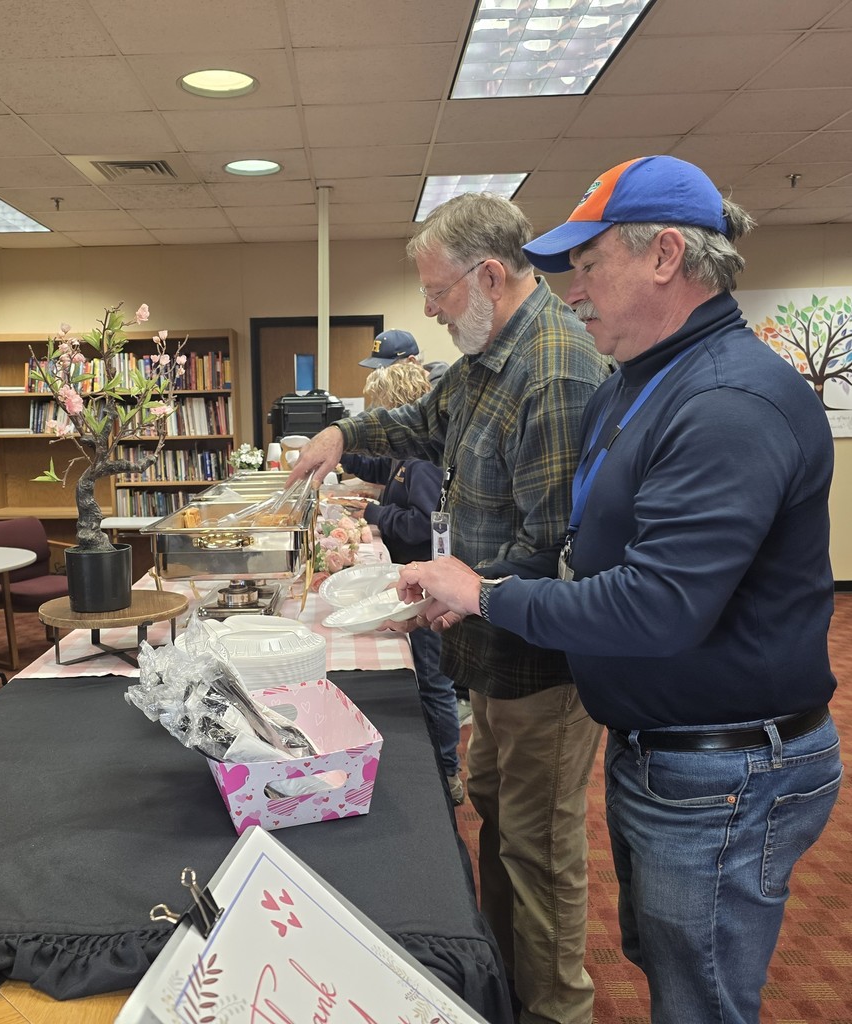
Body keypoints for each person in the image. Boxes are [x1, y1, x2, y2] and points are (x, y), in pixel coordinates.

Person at [395, 156, 843, 1024]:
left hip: (726, 765)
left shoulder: (726, 401)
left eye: (589, 265)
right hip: (664, 750)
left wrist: (487, 596)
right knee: (666, 967)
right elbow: (574, 549)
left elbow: (654, 605)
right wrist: (482, 587)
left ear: (666, 255)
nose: (572, 290)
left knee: (699, 994)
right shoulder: (642, 381)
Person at [289, 191, 610, 1024]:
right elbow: (419, 424)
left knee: (539, 860)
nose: (428, 310)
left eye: (436, 291)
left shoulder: (556, 369)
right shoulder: (484, 361)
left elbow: (557, 550)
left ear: (491, 275)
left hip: (540, 672)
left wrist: (463, 594)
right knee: (504, 840)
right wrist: (339, 435)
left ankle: (553, 1011)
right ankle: (504, 992)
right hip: (493, 664)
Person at [341, 361, 464, 804]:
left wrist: (375, 514)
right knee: (429, 678)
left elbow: (429, 525)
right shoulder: (404, 459)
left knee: (432, 681)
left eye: (380, 409)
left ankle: (448, 772)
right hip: (415, 579)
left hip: (429, 586)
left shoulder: (421, 461)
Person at [359, 327, 449, 385]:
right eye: (376, 369)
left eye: (387, 369)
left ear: (411, 362)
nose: (381, 375)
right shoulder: (396, 389)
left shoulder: (442, 389)